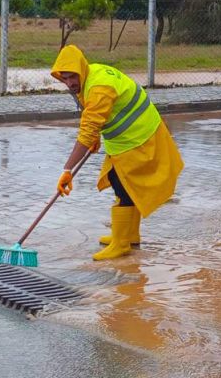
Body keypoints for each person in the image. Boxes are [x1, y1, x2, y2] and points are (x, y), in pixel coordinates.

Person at [49, 45, 183, 261]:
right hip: (131, 137)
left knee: (122, 184)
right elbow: (95, 120)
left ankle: (121, 244)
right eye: (64, 78)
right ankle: (129, 236)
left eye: (72, 77)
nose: (70, 83)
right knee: (126, 185)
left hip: (138, 137)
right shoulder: (93, 75)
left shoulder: (99, 87)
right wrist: (95, 138)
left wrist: (67, 169)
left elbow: (87, 129)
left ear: (81, 69)